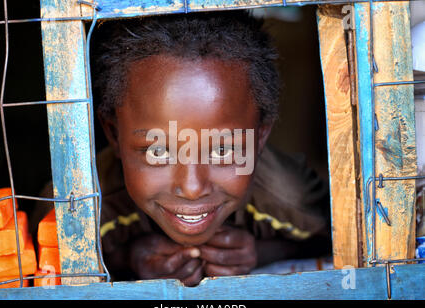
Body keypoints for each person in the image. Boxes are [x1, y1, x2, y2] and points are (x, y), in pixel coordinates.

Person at [31, 10, 331, 286]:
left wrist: (262, 253)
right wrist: (124, 260)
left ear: (260, 137)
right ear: (114, 135)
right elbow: (36, 272)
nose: (191, 188)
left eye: (223, 151)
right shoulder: (75, 207)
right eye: (159, 151)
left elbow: (336, 244)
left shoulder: (290, 194)